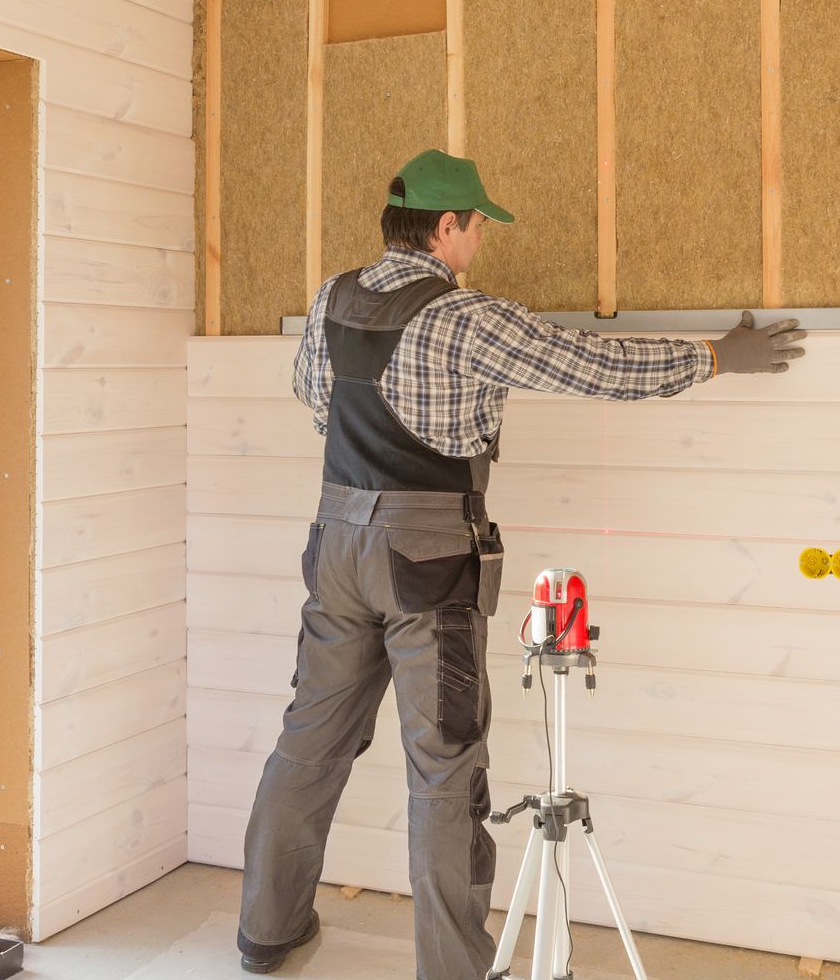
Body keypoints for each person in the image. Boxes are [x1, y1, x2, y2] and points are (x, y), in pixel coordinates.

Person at [236, 148, 806, 977]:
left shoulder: (332, 297)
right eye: (475, 227)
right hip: (425, 559)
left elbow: (312, 396)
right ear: (444, 227)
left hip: (336, 542)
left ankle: (267, 933)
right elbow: (597, 368)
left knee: (309, 741)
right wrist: (714, 357)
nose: (478, 244)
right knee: (445, 767)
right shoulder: (466, 318)